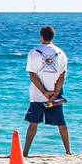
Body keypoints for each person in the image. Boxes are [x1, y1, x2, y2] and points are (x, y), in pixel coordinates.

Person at [24, 25, 70, 156]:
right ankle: (68, 151)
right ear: (52, 37)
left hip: (38, 96)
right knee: (61, 123)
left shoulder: (34, 52)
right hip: (54, 97)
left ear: (41, 36)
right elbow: (63, 76)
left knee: (33, 124)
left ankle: (25, 152)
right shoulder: (61, 53)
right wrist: (55, 92)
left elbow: (32, 75)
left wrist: (44, 92)